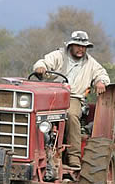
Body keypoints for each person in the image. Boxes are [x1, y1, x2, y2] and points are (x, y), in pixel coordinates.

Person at [33, 30, 110, 169]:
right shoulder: (59, 55)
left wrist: (100, 82)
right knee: (34, 113)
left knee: (70, 115)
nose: (81, 49)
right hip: (52, 93)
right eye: (77, 46)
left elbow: (101, 74)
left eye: (83, 46)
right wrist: (40, 67)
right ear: (71, 45)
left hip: (73, 97)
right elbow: (44, 62)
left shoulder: (91, 63)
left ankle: (73, 156)